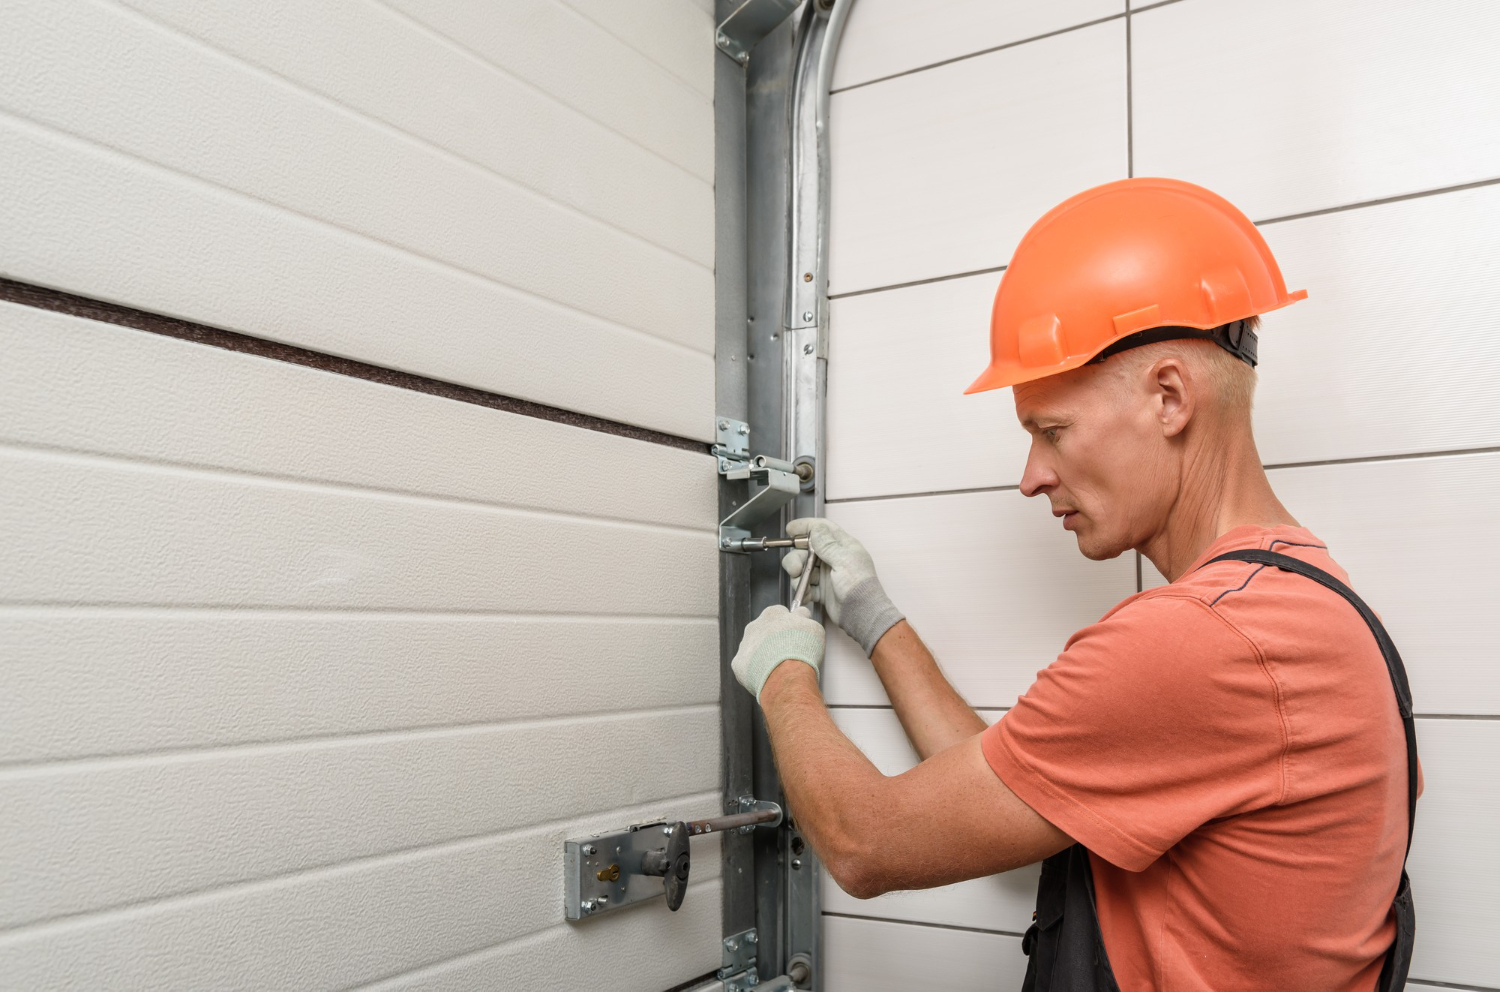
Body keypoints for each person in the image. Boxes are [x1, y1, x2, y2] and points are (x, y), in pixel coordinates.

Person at [729, 178, 1417, 991]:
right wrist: (876, 621)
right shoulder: (1302, 602)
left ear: (1170, 397)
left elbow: (866, 843)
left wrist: (783, 673)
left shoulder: (1197, 642)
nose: (1031, 477)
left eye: (1051, 431)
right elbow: (1015, 781)